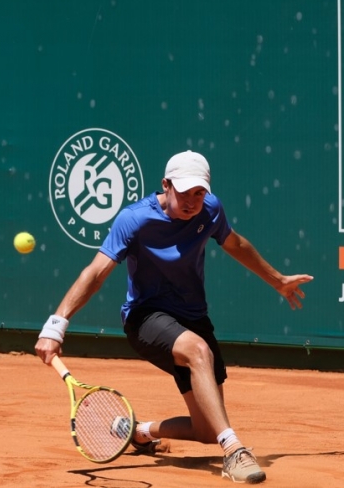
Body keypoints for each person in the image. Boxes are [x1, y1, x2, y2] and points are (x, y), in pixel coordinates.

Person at [35, 150, 313, 484]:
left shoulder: (210, 210)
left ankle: (138, 431)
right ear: (165, 185)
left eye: (200, 193)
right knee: (198, 351)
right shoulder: (134, 219)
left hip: (193, 316)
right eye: (185, 192)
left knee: (207, 428)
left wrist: (278, 281)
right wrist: (57, 324)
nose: (193, 201)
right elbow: (95, 274)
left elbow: (235, 244)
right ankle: (235, 452)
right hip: (145, 316)